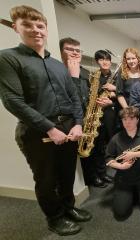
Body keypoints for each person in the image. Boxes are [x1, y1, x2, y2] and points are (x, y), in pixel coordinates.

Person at [0, 6, 91, 236]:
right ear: (16, 28)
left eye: (40, 26)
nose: (35, 30)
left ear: (46, 29)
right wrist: (50, 128)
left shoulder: (58, 65)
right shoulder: (8, 58)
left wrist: (78, 123)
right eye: (28, 25)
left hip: (69, 126)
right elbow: (12, 100)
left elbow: (73, 97)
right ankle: (55, 218)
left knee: (67, 173)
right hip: (37, 132)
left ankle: (69, 207)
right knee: (46, 179)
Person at [105, 106, 140, 220]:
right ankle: (130, 193)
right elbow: (108, 159)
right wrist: (120, 166)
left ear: (137, 120)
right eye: (125, 119)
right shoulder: (116, 138)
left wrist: (133, 154)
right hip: (124, 178)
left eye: (131, 118)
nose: (128, 122)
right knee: (120, 213)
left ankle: (139, 192)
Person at [81, 50, 117, 187]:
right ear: (97, 61)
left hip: (107, 116)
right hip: (94, 115)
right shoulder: (93, 77)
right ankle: (93, 177)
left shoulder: (114, 77)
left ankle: (102, 173)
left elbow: (121, 97)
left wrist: (113, 96)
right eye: (101, 59)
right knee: (93, 147)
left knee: (102, 147)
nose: (105, 62)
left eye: (107, 59)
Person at [59, 37, 89, 112]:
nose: (75, 53)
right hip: (70, 118)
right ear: (61, 52)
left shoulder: (86, 72)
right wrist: (74, 78)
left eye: (78, 51)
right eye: (69, 49)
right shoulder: (56, 72)